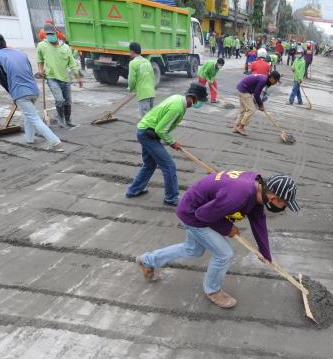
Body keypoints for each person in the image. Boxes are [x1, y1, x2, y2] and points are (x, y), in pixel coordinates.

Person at [137, 171, 300, 308]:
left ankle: (147, 260)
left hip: (199, 206)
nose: (284, 208)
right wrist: (227, 228)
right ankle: (213, 291)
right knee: (224, 254)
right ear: (273, 198)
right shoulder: (239, 195)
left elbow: (258, 221)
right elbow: (203, 215)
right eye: (285, 204)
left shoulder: (257, 189)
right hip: (193, 213)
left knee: (192, 250)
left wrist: (265, 253)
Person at [126, 83, 208, 206]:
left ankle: (134, 190)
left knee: (149, 164)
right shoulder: (177, 107)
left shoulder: (177, 98)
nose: (199, 104)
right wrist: (172, 142)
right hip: (148, 134)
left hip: (145, 129)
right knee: (169, 166)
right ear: (193, 98)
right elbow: (161, 130)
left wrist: (170, 141)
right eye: (200, 100)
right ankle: (171, 198)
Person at [0, 32, 64, 152]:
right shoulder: (20, 52)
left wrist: (12, 93)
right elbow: (29, 69)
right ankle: (29, 139)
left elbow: (2, 79)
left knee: (33, 117)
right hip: (33, 89)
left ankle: (56, 143)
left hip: (20, 92)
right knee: (29, 114)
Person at [37, 23, 82, 128]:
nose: (50, 36)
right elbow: (40, 60)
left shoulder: (66, 48)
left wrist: (78, 78)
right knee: (59, 100)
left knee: (67, 101)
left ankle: (68, 119)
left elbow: (72, 64)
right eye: (47, 34)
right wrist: (40, 70)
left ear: (56, 33)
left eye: (51, 34)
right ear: (45, 34)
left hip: (65, 78)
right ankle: (61, 118)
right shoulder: (42, 46)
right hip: (51, 78)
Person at [234, 71, 280, 136]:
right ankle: (241, 127)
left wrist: (259, 103)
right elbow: (256, 94)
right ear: (272, 78)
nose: (276, 83)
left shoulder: (264, 79)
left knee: (243, 110)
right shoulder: (264, 80)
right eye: (276, 81)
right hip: (244, 90)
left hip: (242, 88)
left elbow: (256, 92)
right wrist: (260, 105)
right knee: (252, 110)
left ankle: (236, 127)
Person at [127, 42, 155, 118]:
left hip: (143, 94)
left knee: (145, 119)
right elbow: (152, 76)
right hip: (151, 93)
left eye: (129, 51)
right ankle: (151, 130)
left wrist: (130, 88)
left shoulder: (133, 63)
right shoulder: (147, 61)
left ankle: (146, 130)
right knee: (150, 117)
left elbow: (131, 80)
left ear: (132, 51)